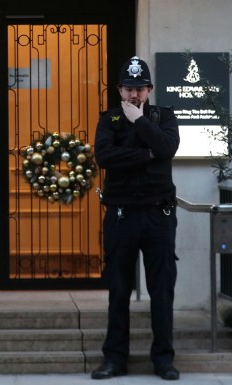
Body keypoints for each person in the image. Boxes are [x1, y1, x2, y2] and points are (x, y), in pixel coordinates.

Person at [91, 56, 181, 381]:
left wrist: (141, 123)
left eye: (140, 89)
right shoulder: (110, 120)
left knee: (161, 289)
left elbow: (167, 148)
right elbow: (104, 156)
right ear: (119, 90)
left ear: (149, 90)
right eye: (128, 89)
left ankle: (164, 359)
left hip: (158, 214)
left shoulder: (164, 117)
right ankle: (114, 359)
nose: (134, 96)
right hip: (121, 215)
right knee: (118, 289)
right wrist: (145, 154)